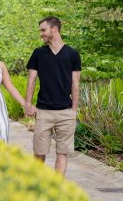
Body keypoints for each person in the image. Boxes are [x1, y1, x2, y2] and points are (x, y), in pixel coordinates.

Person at [24, 17, 81, 176]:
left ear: (54, 29)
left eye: (43, 30)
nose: (41, 34)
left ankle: (57, 188)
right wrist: (28, 104)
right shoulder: (38, 53)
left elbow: (75, 84)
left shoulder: (72, 54)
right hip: (44, 112)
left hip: (66, 112)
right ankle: (38, 187)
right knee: (39, 153)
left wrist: (74, 110)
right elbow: (32, 79)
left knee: (62, 153)